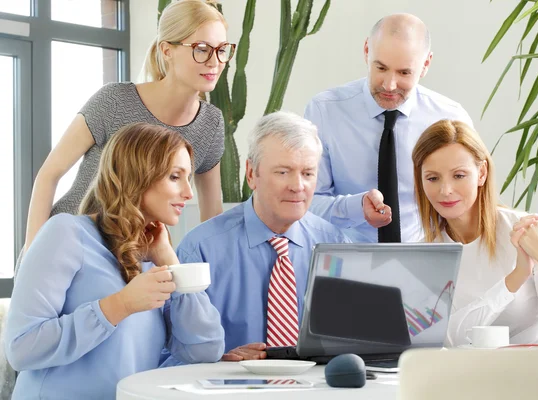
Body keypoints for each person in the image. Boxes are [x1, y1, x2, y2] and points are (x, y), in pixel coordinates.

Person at [4, 123, 225, 400]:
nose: (189, 193)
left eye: (188, 178)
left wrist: (170, 260)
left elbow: (205, 350)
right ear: (138, 176)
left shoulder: (152, 256)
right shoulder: (66, 233)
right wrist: (119, 305)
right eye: (174, 177)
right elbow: (21, 348)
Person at [22, 0, 234, 256]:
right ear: (167, 50)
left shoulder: (210, 123)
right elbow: (49, 174)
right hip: (66, 246)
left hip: (129, 264)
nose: (215, 61)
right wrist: (33, 253)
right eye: (201, 49)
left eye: (222, 49)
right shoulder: (114, 101)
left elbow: (211, 216)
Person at [173, 111, 350, 362]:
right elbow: (168, 351)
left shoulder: (336, 247)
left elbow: (355, 340)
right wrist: (219, 360)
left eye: (308, 173)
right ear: (251, 174)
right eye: (283, 172)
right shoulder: (200, 250)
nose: (297, 186)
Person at [411, 119, 538, 347]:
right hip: (474, 375)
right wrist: (516, 277)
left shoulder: (527, 231)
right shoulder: (425, 255)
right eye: (433, 178)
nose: (445, 190)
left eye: (459, 175)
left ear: (481, 173)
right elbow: (447, 338)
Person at [305, 13, 472, 243]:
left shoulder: (450, 117)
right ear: (366, 51)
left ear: (425, 65)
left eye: (404, 72)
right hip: (344, 255)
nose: (389, 85)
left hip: (424, 254)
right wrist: (356, 207)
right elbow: (306, 201)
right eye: (381, 68)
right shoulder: (324, 111)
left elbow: (469, 199)